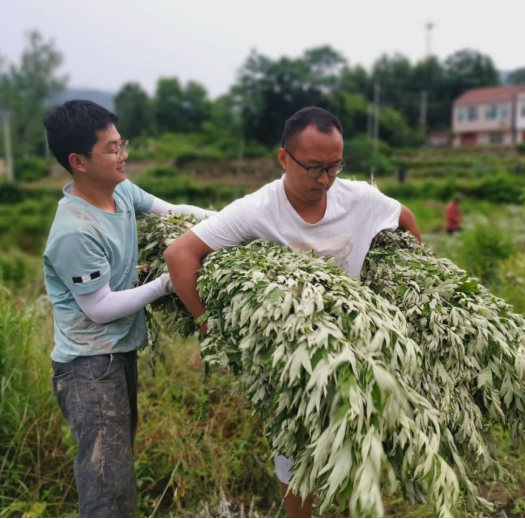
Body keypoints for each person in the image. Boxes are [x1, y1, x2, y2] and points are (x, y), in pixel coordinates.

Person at [164, 106, 422, 518]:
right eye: (314, 168)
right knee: (293, 452)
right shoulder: (257, 210)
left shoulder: (360, 199)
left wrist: (409, 278)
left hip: (357, 347)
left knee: (357, 441)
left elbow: (405, 219)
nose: (325, 180)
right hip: (289, 359)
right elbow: (179, 255)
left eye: (334, 167)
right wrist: (208, 325)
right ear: (284, 158)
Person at [43, 100, 213, 518]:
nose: (123, 155)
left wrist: (230, 220)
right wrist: (166, 283)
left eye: (122, 144)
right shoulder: (75, 231)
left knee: (117, 468)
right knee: (108, 486)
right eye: (112, 149)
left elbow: (172, 212)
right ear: (78, 161)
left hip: (117, 354)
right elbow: (100, 308)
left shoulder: (120, 191)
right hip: (88, 367)